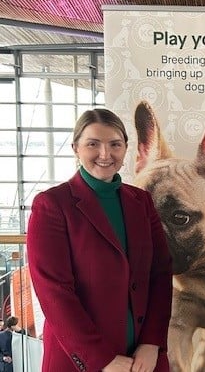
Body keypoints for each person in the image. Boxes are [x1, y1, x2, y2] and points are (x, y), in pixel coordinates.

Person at [27, 108, 173, 372]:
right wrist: (100, 359)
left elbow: (160, 274)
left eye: (115, 145)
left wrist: (152, 342)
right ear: (76, 148)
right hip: (82, 361)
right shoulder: (51, 205)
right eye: (93, 144)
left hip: (142, 359)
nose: (105, 155)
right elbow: (54, 292)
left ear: (126, 148)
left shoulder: (141, 202)